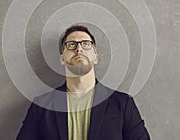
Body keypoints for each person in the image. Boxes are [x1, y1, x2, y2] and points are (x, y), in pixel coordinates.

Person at [17, 25, 150, 140]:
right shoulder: (41, 106)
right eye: (71, 45)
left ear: (95, 57)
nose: (79, 49)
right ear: (62, 58)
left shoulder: (123, 104)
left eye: (86, 44)